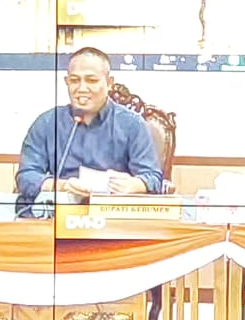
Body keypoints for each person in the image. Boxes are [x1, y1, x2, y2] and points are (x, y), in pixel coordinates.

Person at [16, 47, 164, 209]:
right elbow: (26, 177)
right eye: (74, 80)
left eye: (91, 81)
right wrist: (62, 186)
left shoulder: (132, 124)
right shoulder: (47, 123)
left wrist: (135, 184)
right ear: (66, 82)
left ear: (109, 83)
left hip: (111, 214)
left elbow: (152, 177)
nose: (82, 88)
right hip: (58, 213)